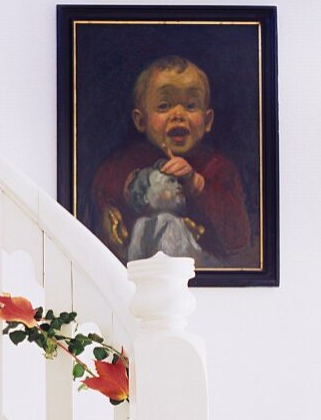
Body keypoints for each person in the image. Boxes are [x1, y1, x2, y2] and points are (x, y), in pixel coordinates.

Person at [89, 55, 253, 266]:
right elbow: (103, 188)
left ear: (207, 120)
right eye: (164, 106)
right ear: (141, 120)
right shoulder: (124, 162)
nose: (178, 114)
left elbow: (238, 237)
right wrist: (108, 212)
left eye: (191, 105)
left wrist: (197, 185)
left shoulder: (217, 166)